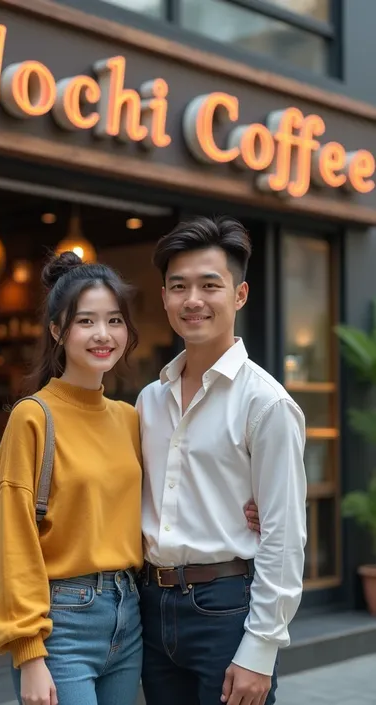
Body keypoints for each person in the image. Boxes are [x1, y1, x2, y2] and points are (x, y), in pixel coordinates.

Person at [136, 215, 307, 705]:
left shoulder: (266, 404)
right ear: (165, 296)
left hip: (227, 609)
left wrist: (261, 647)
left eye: (210, 285)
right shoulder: (149, 400)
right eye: (178, 286)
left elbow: (285, 533)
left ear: (240, 295)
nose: (192, 299)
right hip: (152, 605)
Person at [0, 252, 144, 705]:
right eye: (85, 321)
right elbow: (10, 535)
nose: (102, 334)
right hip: (61, 622)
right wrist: (30, 653)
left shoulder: (129, 419)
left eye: (114, 320)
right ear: (57, 330)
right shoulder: (34, 416)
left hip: (128, 612)